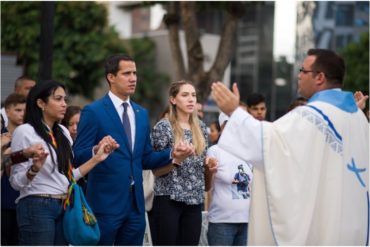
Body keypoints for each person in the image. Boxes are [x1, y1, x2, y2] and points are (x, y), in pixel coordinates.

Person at [211, 48, 369, 245]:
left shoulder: (313, 116)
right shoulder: (358, 118)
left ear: (319, 77)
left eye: (303, 71)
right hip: (353, 226)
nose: (299, 75)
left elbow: (268, 145)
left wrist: (234, 112)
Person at [72, 54, 194, 245]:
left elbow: (145, 158)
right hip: (105, 204)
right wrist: (97, 149)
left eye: (135, 73)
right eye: (127, 73)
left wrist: (172, 154)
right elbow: (78, 155)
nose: (133, 78)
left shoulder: (141, 113)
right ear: (111, 77)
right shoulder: (93, 111)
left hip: (136, 207)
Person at [9, 80, 119, 245]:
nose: (64, 104)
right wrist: (33, 169)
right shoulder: (25, 131)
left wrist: (97, 158)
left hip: (64, 204)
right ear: (40, 103)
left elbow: (69, 177)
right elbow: (16, 183)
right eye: (58, 99)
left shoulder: (63, 132)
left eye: (65, 99)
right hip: (36, 204)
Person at [150, 81, 217, 246]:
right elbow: (156, 171)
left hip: (195, 200)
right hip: (168, 200)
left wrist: (209, 168)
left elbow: (206, 184)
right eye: (185, 95)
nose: (191, 99)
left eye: (193, 95)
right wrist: (178, 160)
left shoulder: (201, 128)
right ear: (173, 100)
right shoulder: (163, 127)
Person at [206, 112, 253, 246]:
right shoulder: (215, 151)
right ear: (222, 127)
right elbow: (207, 184)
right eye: (229, 123)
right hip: (222, 221)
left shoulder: (248, 152)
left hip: (247, 220)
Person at [1, 93, 26, 245]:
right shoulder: (1, 136)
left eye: (24, 110)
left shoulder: (29, 135)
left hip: (22, 198)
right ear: (7, 111)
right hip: (3, 199)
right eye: (17, 110)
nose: (22, 114)